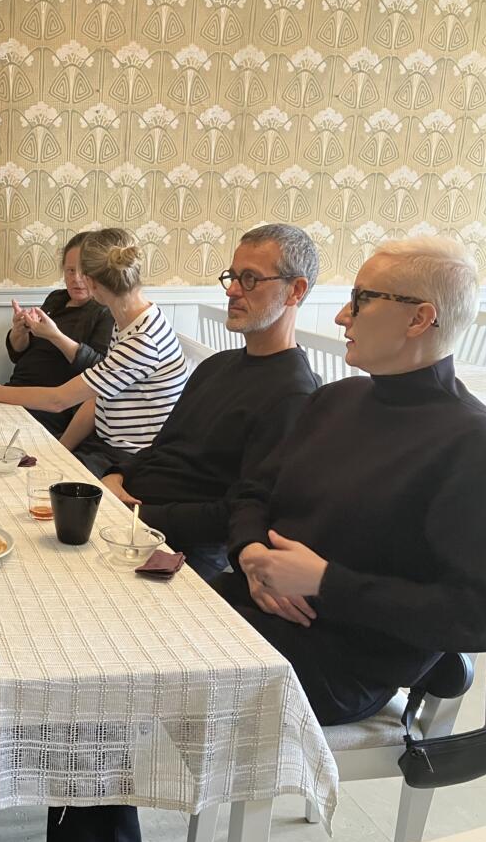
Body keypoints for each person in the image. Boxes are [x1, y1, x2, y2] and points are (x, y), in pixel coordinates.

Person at [223, 236, 486, 727]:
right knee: (118, 636)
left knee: (144, 675)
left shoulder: (474, 446)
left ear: (418, 318)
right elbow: (253, 492)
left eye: (362, 299)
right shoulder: (335, 401)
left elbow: (482, 617)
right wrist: (250, 552)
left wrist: (326, 581)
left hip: (339, 662)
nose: (344, 316)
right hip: (254, 604)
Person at [99, 224, 322, 582]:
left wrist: (136, 513)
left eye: (249, 279)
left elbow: (237, 512)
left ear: (295, 291)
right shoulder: (216, 365)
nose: (233, 290)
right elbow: (160, 449)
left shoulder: (294, 396)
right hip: (128, 517)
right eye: (232, 276)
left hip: (180, 550)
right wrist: (116, 474)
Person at [0, 227, 188, 477]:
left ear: (92, 283)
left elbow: (58, 400)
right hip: (104, 445)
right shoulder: (131, 320)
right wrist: (61, 451)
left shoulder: (142, 339)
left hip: (128, 457)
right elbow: (97, 398)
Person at [5, 231, 114, 435]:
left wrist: (55, 336)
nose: (77, 279)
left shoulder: (105, 311)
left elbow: (99, 370)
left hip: (52, 408)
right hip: (16, 390)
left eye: (84, 272)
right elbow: (18, 355)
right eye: (70, 271)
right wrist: (19, 333)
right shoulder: (56, 299)